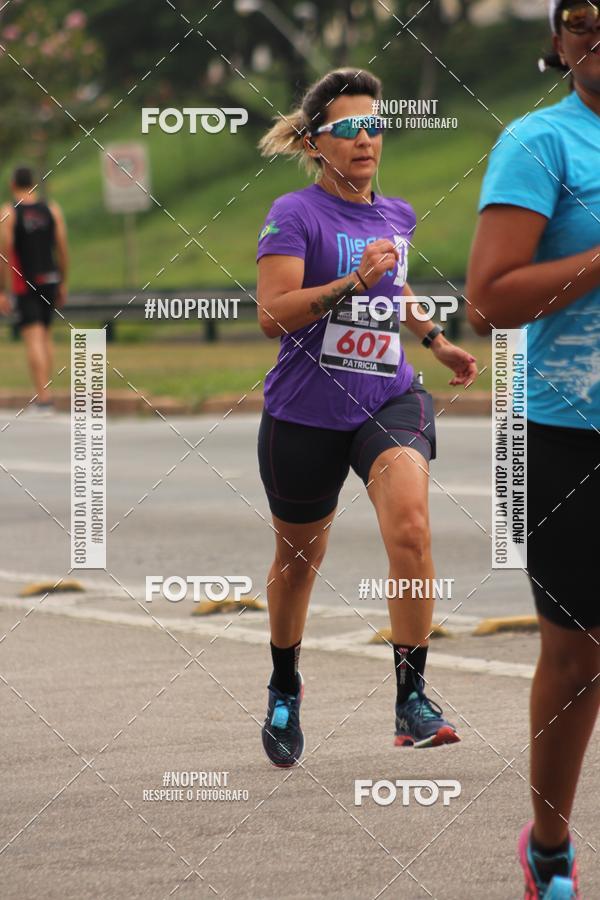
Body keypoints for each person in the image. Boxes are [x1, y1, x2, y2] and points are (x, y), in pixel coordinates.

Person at [254, 68, 478, 768]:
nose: (365, 139)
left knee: (410, 525)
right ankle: (285, 684)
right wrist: (350, 281)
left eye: (374, 125)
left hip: (387, 399)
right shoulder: (295, 214)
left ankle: (411, 699)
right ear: (317, 143)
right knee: (298, 561)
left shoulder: (397, 214)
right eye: (348, 128)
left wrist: (435, 341)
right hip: (305, 413)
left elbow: (397, 283)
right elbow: (272, 314)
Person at [466, 2, 600, 897]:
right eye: (581, 21)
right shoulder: (540, 144)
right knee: (578, 653)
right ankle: (548, 844)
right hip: (567, 434)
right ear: (559, 42)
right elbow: (490, 299)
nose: (597, 36)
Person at [0, 166, 68, 412]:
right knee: (46, 334)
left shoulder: (9, 212)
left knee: (33, 337)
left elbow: (4, 253)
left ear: (12, 184)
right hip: (50, 277)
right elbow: (62, 247)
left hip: (24, 281)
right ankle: (46, 389)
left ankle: (43, 397)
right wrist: (63, 280)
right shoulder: (52, 209)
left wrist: (2, 290)